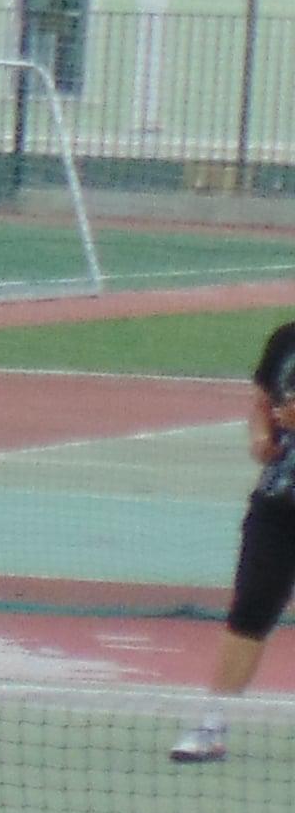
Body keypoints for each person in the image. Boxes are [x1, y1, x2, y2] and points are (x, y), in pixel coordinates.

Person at [173, 320, 295, 762]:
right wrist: (261, 437)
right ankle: (211, 724)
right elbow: (263, 402)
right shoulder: (286, 340)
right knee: (250, 611)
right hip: (278, 504)